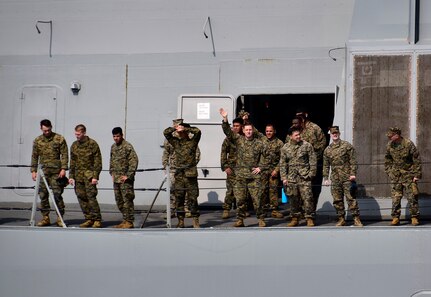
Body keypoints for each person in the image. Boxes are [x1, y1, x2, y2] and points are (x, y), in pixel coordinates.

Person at [220, 108, 268, 227]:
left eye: (250, 129)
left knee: (258, 200)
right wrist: (225, 118)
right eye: (246, 130)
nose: (249, 132)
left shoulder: (259, 143)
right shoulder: (238, 140)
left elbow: (268, 156)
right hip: (240, 176)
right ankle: (240, 220)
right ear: (243, 130)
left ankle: (261, 219)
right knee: (240, 200)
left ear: (253, 130)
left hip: (254, 177)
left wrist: (260, 167)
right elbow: (227, 131)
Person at [286, 109, 326, 212]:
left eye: (299, 118)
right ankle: (297, 212)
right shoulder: (292, 130)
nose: (295, 124)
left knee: (312, 190)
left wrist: (312, 158)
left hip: (312, 164)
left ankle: (310, 212)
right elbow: (287, 146)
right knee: (295, 191)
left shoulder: (314, 128)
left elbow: (322, 144)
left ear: (303, 118)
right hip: (296, 167)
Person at [31, 119, 69, 227]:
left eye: (48, 130)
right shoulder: (37, 140)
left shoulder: (59, 139)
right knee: (43, 195)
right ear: (41, 129)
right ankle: (45, 217)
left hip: (56, 173)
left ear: (51, 127)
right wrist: (33, 170)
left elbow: (65, 154)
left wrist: (63, 168)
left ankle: (60, 218)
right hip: (43, 172)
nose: (47, 132)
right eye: (44, 130)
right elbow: (34, 156)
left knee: (57, 194)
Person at [163, 121, 201, 228]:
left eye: (181, 131)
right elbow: (166, 133)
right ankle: (180, 221)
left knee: (193, 198)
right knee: (179, 198)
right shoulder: (176, 142)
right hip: (179, 174)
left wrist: (185, 128)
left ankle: (195, 220)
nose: (179, 133)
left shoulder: (193, 142)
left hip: (190, 175)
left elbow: (198, 132)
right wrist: (175, 128)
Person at [323, 126, 363, 227]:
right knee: (337, 200)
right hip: (335, 178)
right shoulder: (327, 150)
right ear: (330, 135)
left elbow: (353, 161)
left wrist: (353, 173)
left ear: (339, 133)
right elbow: (326, 165)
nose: (335, 134)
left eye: (336, 133)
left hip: (347, 178)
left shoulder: (347, 146)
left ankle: (356, 219)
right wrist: (326, 178)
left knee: (351, 199)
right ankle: (341, 219)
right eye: (333, 133)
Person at [384, 127, 422, 226]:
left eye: (391, 135)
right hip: (396, 176)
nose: (389, 137)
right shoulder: (390, 145)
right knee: (396, 198)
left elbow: (416, 160)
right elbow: (387, 160)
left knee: (412, 196)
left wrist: (416, 175)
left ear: (397, 135)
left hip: (408, 175)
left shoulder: (408, 144)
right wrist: (389, 172)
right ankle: (396, 217)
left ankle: (414, 217)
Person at [280, 126, 317, 227]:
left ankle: (309, 218)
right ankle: (295, 218)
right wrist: (284, 177)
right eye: (296, 135)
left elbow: (313, 160)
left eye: (299, 134)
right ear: (290, 136)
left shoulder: (307, 145)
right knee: (293, 199)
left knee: (308, 198)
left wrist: (311, 174)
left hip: (304, 177)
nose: (298, 136)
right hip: (291, 178)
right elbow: (283, 164)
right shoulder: (285, 148)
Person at [69, 124, 103, 228]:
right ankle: (88, 218)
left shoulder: (92, 144)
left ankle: (97, 219)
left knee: (91, 198)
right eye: (76, 134)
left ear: (84, 133)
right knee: (81, 198)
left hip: (89, 176)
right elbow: (72, 162)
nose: (77, 136)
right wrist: (71, 176)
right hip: (78, 176)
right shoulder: (74, 145)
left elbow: (98, 162)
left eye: (78, 134)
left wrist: (95, 176)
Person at [109, 127, 139, 229]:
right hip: (116, 179)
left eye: (117, 136)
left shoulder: (127, 146)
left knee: (127, 201)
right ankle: (125, 220)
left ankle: (129, 222)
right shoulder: (113, 147)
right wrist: (111, 173)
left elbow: (134, 161)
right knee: (119, 201)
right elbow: (111, 160)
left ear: (122, 135)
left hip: (125, 180)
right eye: (114, 136)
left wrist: (129, 175)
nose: (116, 138)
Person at [220, 117, 244, 219]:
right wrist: (225, 166)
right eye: (233, 126)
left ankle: (242, 210)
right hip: (232, 168)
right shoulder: (228, 138)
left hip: (243, 168)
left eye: (237, 126)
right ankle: (226, 209)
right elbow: (223, 153)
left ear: (242, 127)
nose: (235, 128)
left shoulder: (246, 137)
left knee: (243, 190)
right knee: (230, 190)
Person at [261, 124, 284, 218]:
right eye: (267, 131)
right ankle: (263, 210)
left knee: (273, 190)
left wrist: (277, 170)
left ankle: (274, 210)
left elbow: (282, 159)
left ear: (274, 131)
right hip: (263, 171)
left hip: (273, 172)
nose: (268, 133)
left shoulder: (279, 143)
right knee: (263, 190)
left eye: (270, 131)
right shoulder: (261, 141)